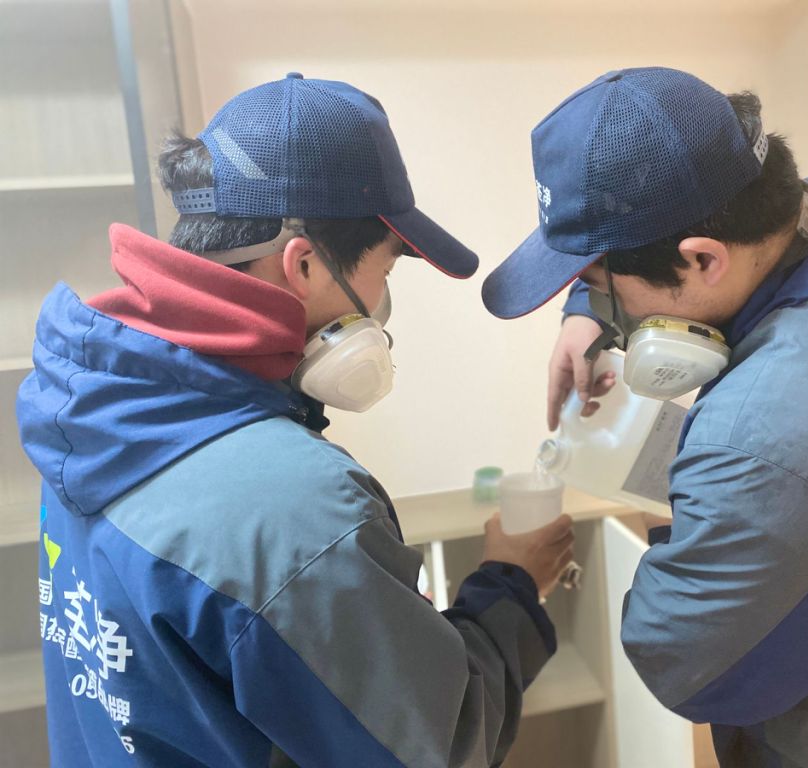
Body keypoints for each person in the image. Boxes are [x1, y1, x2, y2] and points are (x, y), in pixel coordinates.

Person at [17, 73, 573, 767]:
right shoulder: (298, 510)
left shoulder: (94, 413)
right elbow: (445, 743)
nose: (380, 305)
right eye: (386, 272)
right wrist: (511, 582)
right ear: (303, 265)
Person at [482, 66, 808, 766]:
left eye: (599, 285)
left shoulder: (767, 441)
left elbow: (681, 662)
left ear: (703, 259)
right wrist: (590, 310)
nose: (614, 316)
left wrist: (693, 496)